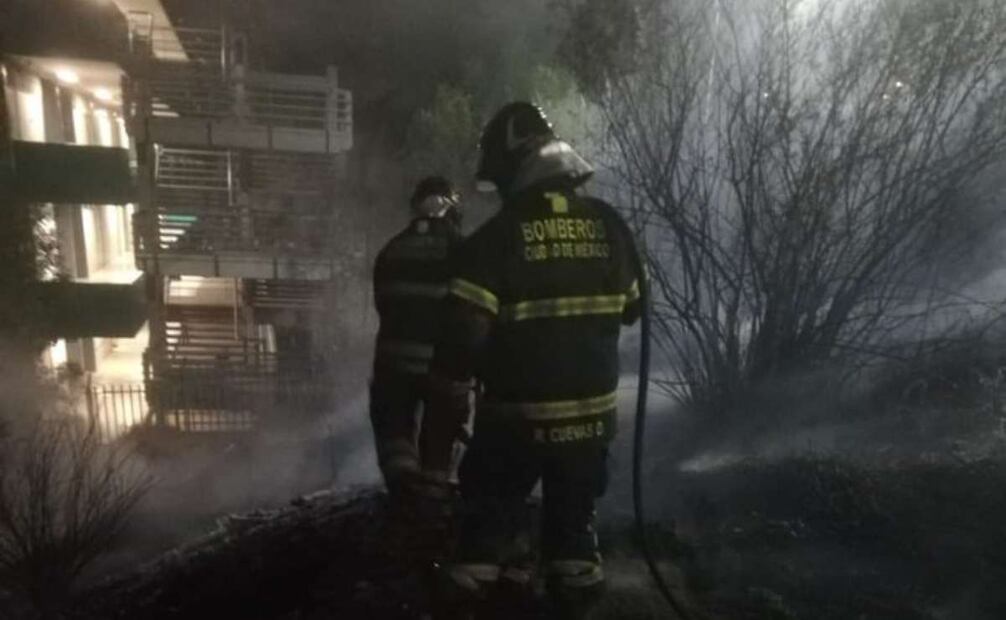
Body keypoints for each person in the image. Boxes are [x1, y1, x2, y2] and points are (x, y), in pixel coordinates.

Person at [418, 102, 641, 619]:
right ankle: (575, 583)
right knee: (574, 536)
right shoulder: (610, 227)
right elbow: (632, 309)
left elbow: (461, 342)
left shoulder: (494, 241)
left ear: (512, 168)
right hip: (590, 426)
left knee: (486, 529)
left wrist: (437, 439)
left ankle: (474, 586)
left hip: (514, 424)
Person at [370, 176, 463, 496]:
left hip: (393, 364)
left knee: (394, 426)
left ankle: (403, 489)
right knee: (440, 431)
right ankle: (434, 490)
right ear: (452, 210)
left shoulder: (391, 250)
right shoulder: (463, 250)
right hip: (443, 365)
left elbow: (383, 305)